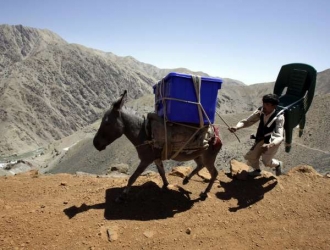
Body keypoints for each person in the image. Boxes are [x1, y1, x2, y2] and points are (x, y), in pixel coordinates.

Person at [228, 94, 284, 176]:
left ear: (274, 106)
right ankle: (257, 171)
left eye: (267, 105)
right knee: (252, 156)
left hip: (272, 141)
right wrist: (237, 127)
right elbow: (247, 121)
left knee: (266, 162)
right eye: (264, 103)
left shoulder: (279, 117)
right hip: (261, 137)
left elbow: (279, 135)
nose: (264, 106)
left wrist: (270, 144)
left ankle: (278, 164)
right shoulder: (260, 111)